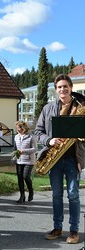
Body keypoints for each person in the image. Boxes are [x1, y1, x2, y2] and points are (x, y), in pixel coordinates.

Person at [34, 74, 85, 244]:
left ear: (71, 88)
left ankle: (74, 230)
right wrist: (49, 140)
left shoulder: (81, 107)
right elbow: (37, 132)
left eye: (65, 86)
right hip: (54, 159)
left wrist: (81, 160)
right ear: (56, 90)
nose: (62, 89)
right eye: (59, 87)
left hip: (73, 159)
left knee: (73, 195)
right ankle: (57, 228)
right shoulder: (48, 108)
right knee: (56, 195)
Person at [12, 121, 37, 203]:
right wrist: (13, 158)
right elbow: (15, 149)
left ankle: (31, 191)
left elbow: (35, 149)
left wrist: (24, 151)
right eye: (18, 128)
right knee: (20, 178)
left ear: (25, 128)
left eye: (20, 128)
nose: (19, 130)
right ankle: (22, 196)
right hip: (19, 161)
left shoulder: (31, 137)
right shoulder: (16, 137)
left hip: (29, 161)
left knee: (26, 176)